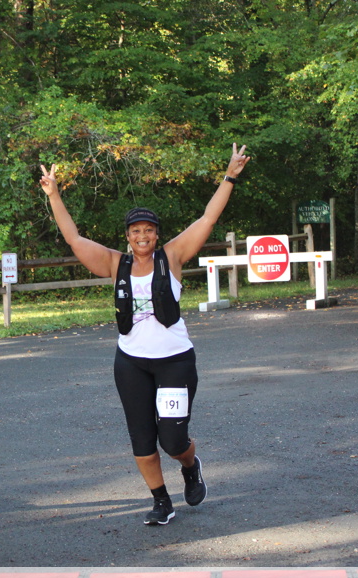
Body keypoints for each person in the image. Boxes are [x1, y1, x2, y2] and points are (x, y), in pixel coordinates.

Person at [39, 144, 251, 525]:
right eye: (136, 231)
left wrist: (230, 176)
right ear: (128, 236)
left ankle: (190, 466)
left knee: (172, 440)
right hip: (131, 363)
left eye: (149, 230)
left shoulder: (172, 256)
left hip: (174, 362)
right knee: (141, 438)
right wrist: (54, 194)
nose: (143, 236)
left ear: (156, 235)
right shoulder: (114, 263)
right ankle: (161, 501)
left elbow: (207, 218)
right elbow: (74, 239)